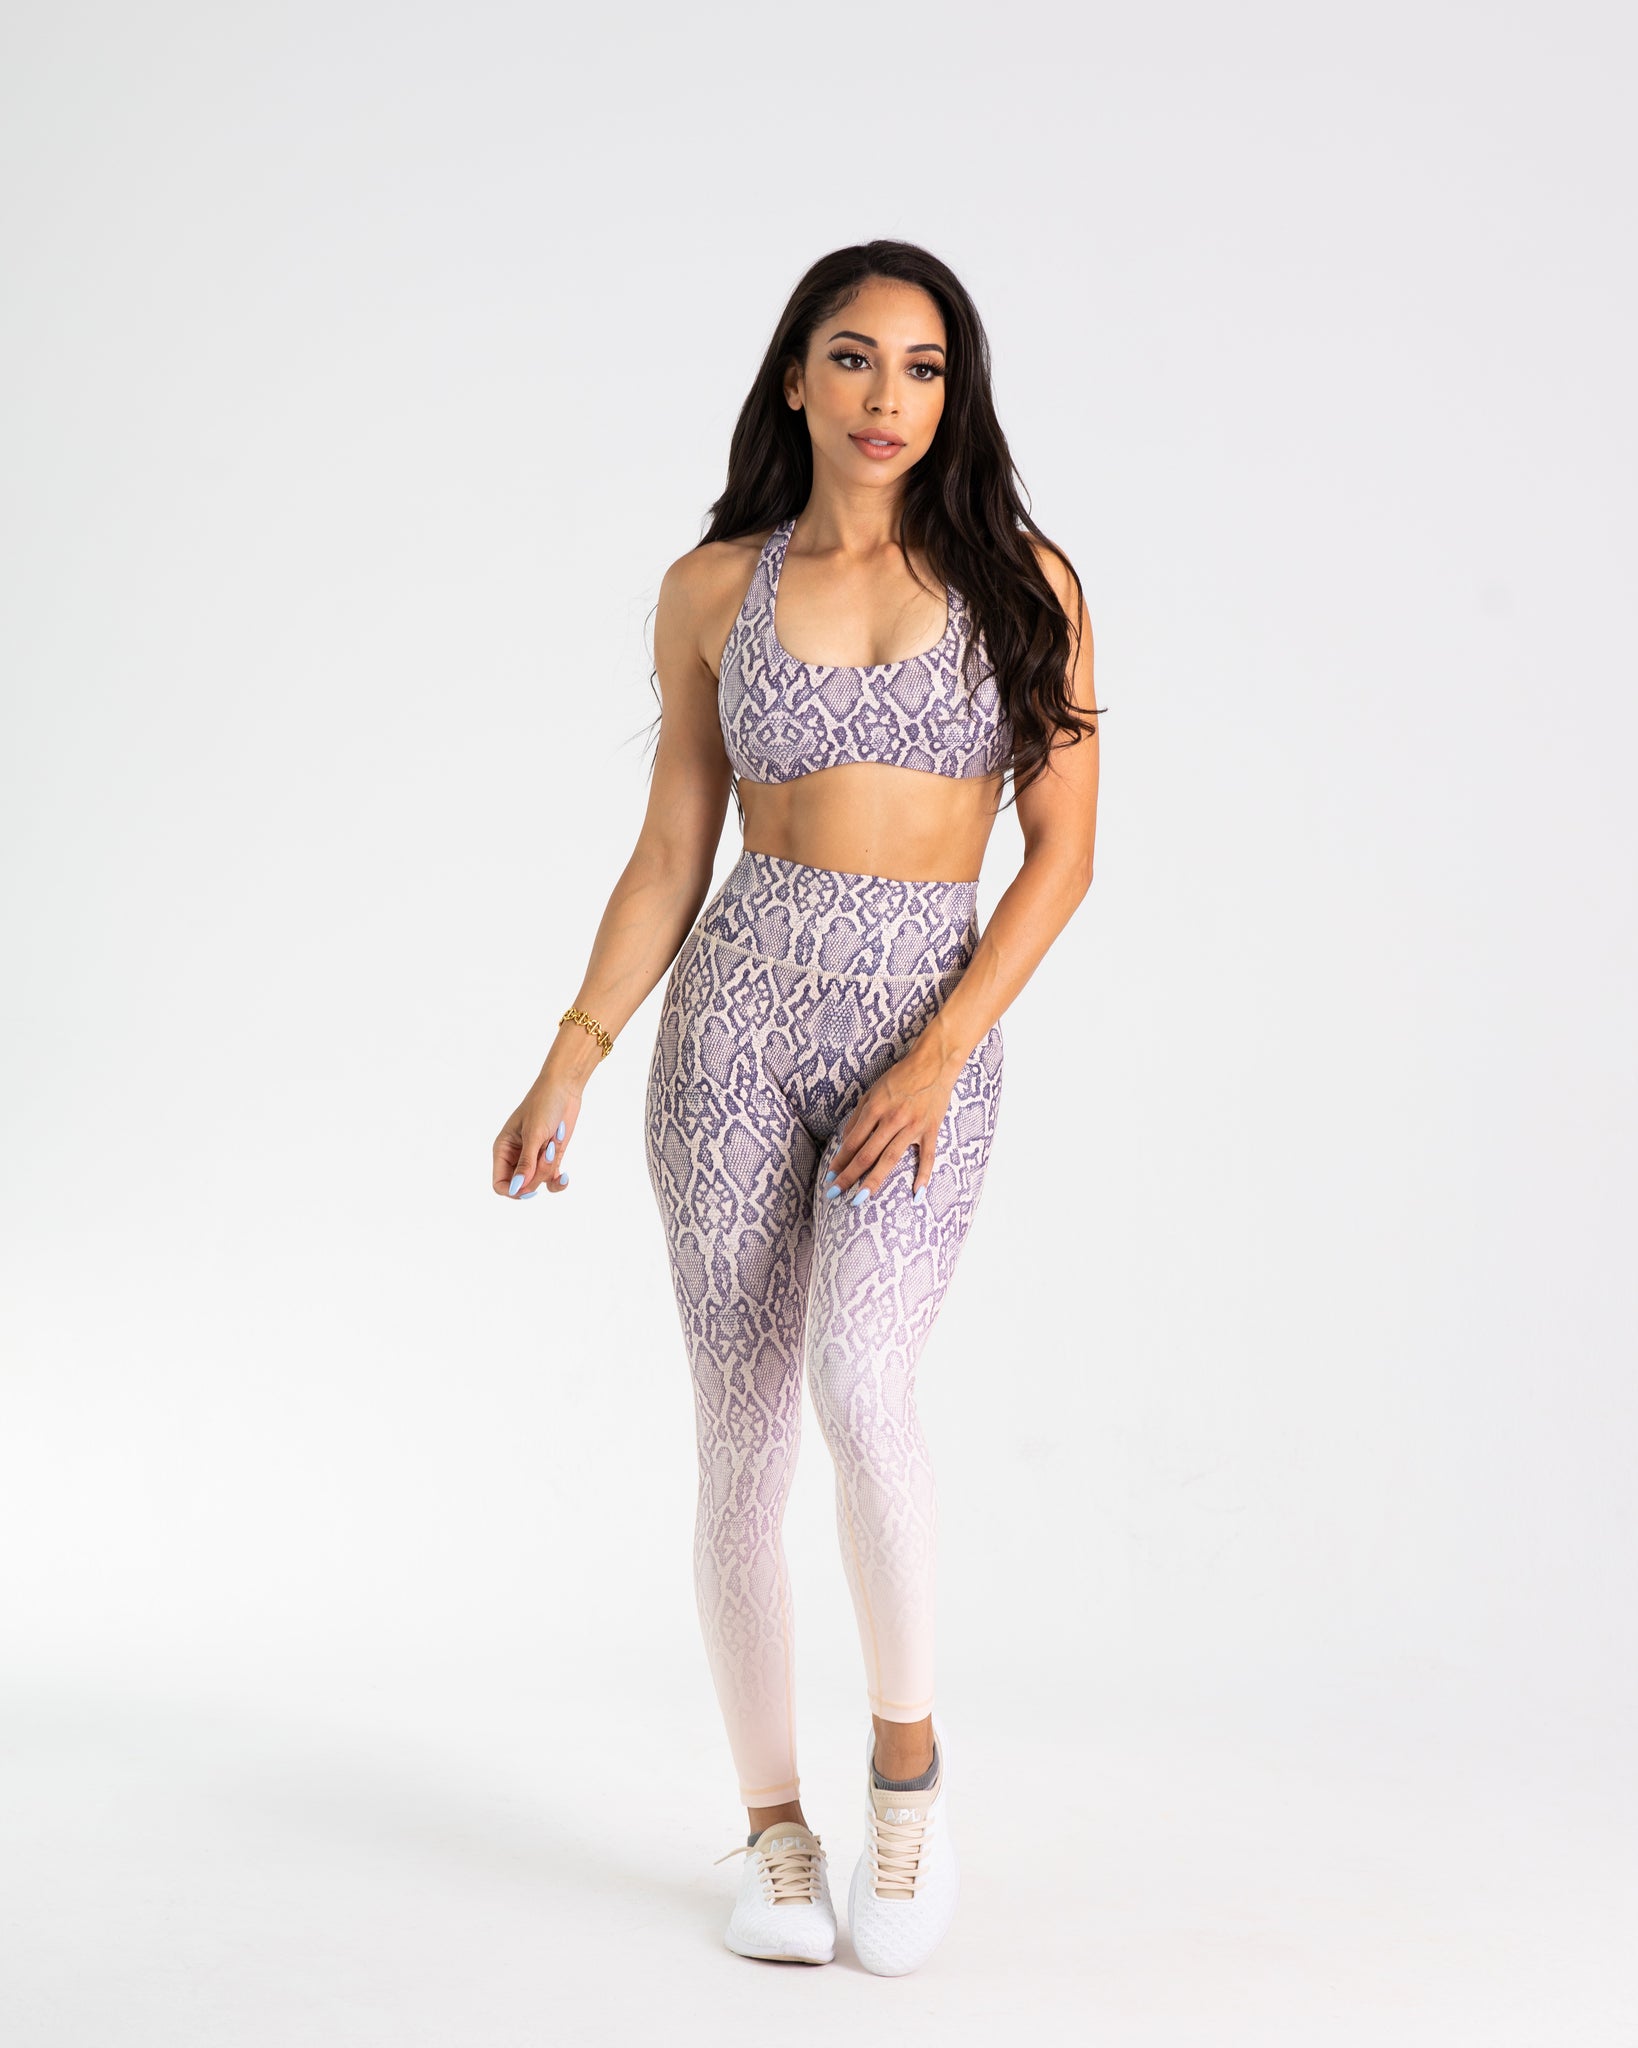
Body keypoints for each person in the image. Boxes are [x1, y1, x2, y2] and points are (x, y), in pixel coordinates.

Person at [492, 239, 1102, 1975]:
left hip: (923, 1028)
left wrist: (940, 1050)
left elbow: (1061, 856)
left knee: (862, 1382)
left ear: (952, 395)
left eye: (921, 367)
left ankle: (905, 1781)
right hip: (733, 1026)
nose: (885, 396)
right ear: (793, 378)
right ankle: (772, 1831)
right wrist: (572, 1051)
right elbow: (669, 850)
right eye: (852, 358)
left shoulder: (1023, 580)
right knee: (742, 1436)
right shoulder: (712, 588)